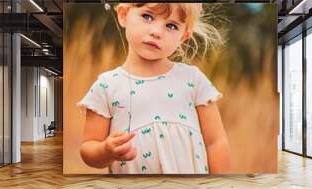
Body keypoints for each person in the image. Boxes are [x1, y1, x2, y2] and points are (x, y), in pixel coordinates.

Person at [78, 3, 232, 174]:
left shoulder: (193, 80)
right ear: (123, 15)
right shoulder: (107, 86)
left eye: (171, 26)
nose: (157, 32)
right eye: (147, 17)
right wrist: (105, 151)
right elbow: (88, 148)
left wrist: (220, 186)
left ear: (183, 36)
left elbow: (216, 142)